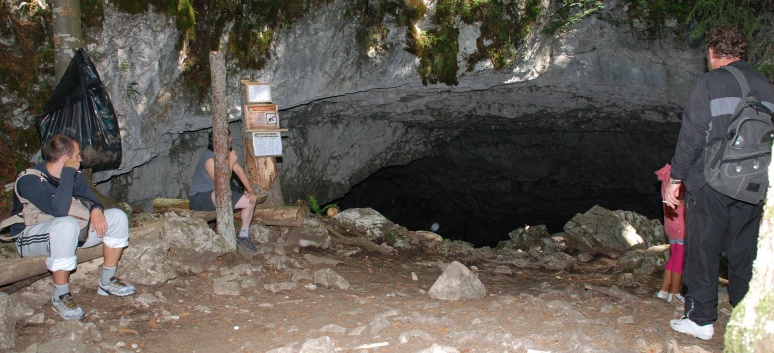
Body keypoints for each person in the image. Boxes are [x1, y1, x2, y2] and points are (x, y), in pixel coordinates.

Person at [664, 27, 774, 340]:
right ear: (743, 53)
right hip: (753, 184)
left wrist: (678, 176)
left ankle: (700, 319)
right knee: (744, 253)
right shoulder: (766, 86)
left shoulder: (710, 82)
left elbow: (694, 134)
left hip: (710, 181)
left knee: (704, 248)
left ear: (712, 53)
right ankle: (746, 317)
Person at [10, 134, 136, 320]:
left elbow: (92, 200)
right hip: (30, 237)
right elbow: (59, 210)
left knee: (117, 217)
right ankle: (61, 295)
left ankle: (107, 281)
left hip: (68, 232)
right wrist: (68, 173)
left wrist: (96, 210)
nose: (81, 159)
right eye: (77, 155)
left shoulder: (75, 175)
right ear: (65, 160)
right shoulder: (30, 181)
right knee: (65, 224)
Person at [189, 130, 259, 252]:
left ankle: (244, 234)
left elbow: (239, 171)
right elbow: (222, 183)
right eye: (227, 138)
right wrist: (231, 161)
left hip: (218, 194)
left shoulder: (225, 154)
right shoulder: (209, 159)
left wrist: (250, 190)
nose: (231, 139)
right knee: (222, 195)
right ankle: (224, 237)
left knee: (251, 200)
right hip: (199, 198)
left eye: (230, 137)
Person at [655, 164, 685, 303]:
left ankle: (663, 291)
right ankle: (675, 293)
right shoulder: (676, 176)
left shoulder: (667, 175)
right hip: (680, 222)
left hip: (670, 221)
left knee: (674, 256)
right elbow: (678, 200)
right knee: (679, 258)